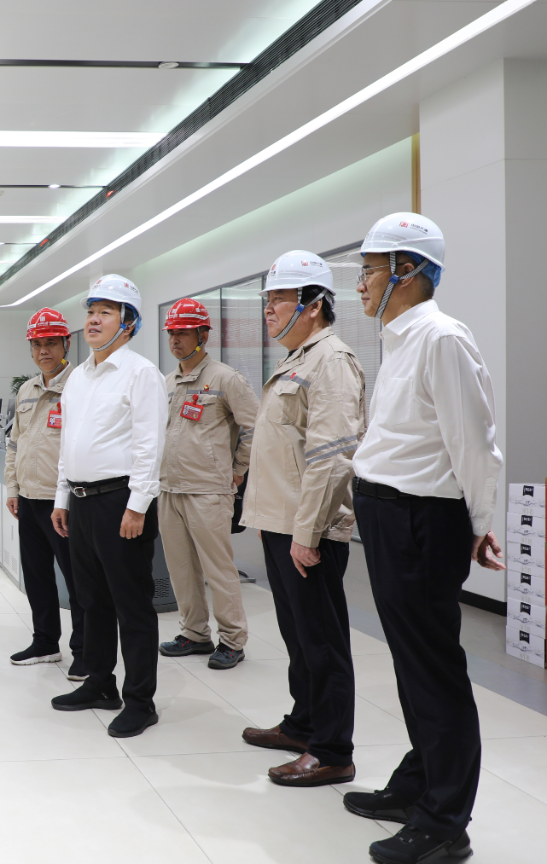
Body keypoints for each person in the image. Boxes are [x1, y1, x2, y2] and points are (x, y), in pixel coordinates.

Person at [347, 214, 503, 864]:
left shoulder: (442, 338)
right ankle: (417, 785)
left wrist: (481, 524)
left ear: (407, 271)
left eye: (370, 270)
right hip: (389, 516)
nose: (360, 284)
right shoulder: (399, 339)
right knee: (411, 665)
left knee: (434, 670)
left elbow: (475, 444)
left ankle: (445, 822)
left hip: (420, 521)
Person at [239, 251, 365, 788]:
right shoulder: (298, 360)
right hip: (282, 523)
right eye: (267, 299)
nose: (268, 309)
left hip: (306, 530)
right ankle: (303, 725)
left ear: (313, 305)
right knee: (298, 637)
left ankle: (332, 751)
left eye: (279, 299)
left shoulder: (331, 361)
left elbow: (332, 456)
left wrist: (308, 533)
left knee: (322, 641)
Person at [49, 275, 165, 739]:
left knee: (131, 604)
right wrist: (62, 496)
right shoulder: (78, 376)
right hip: (81, 502)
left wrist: (138, 507)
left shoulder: (141, 373)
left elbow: (150, 445)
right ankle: (99, 683)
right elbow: (68, 442)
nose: (93, 320)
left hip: (121, 502)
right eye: (91, 311)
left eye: (106, 312)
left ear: (128, 322)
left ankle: (140, 701)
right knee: (91, 600)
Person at [157, 299, 259, 670]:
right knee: (181, 569)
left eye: (183, 333)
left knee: (218, 569)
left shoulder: (225, 378)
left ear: (203, 334)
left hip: (208, 491)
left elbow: (255, 426)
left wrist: (238, 468)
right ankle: (194, 634)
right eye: (171, 333)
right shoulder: (168, 382)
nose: (175, 340)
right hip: (170, 489)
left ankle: (232, 639)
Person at [4, 308, 84, 673]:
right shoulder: (27, 389)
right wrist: (13, 487)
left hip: (64, 502)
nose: (43, 351)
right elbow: (14, 442)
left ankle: (85, 651)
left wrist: (64, 498)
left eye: (51, 343)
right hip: (29, 499)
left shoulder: (80, 386)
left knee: (78, 580)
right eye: (37, 345)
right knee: (36, 576)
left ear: (66, 343)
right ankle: (45, 642)